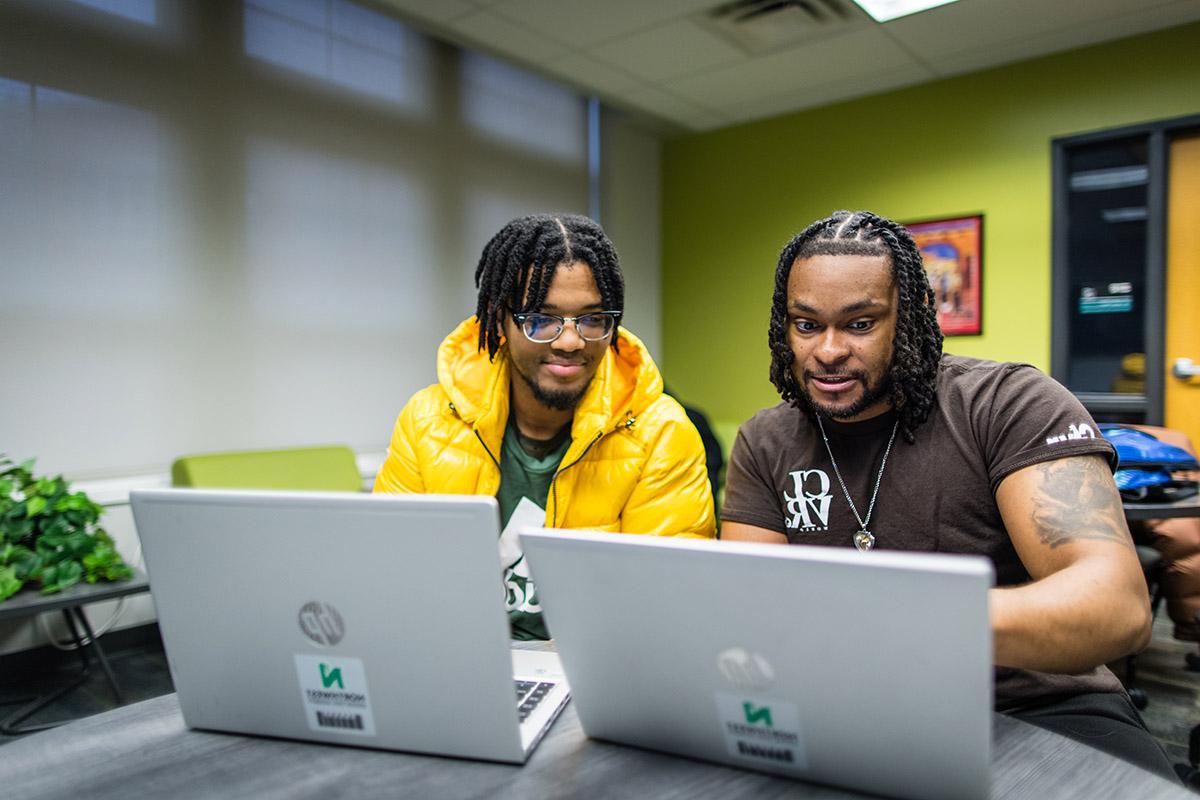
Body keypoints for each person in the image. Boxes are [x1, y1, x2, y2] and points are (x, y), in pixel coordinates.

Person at [720, 210, 1175, 779]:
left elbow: (1117, 607)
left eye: (860, 324)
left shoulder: (1009, 403)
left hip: (1030, 703)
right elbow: (749, 607)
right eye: (806, 325)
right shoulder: (767, 439)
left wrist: (909, 620)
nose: (828, 350)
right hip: (842, 708)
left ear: (905, 319)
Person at [375, 213, 715, 640]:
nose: (570, 341)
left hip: (596, 672)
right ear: (500, 322)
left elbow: (669, 612)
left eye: (592, 320)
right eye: (540, 319)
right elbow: (390, 583)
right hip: (456, 658)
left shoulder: (663, 433)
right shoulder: (426, 423)